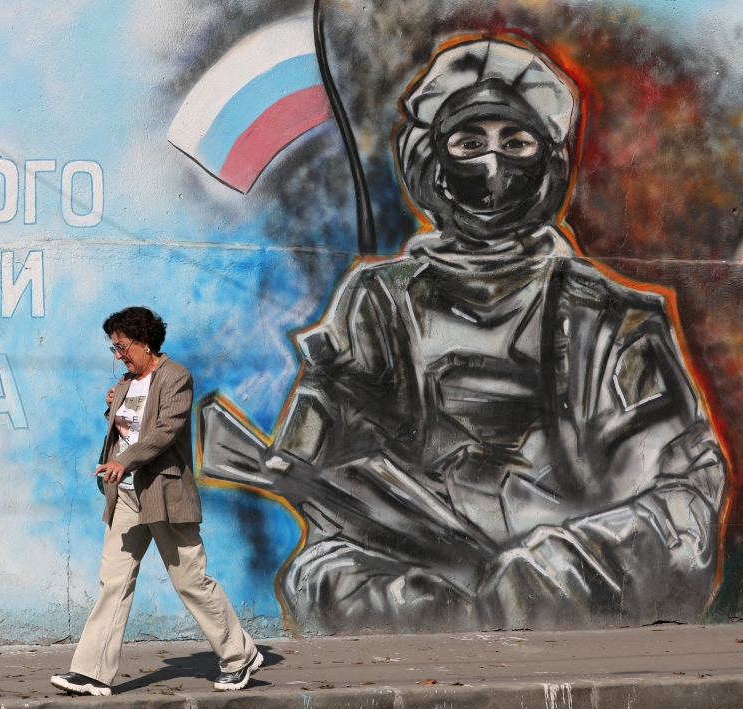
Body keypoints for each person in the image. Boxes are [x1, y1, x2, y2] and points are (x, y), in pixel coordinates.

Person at [199, 37, 726, 633]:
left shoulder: (614, 317)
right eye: (469, 143)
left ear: (548, 162)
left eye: (516, 142)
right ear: (432, 160)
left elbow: (683, 506)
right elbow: (319, 485)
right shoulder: (377, 303)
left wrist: (546, 570)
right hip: (407, 587)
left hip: (572, 592)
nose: (492, 166)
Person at [50, 306, 262, 696]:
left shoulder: (176, 377)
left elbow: (164, 431)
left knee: (190, 582)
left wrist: (123, 461)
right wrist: (112, 405)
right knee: (113, 583)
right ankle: (93, 672)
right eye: (113, 348)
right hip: (128, 497)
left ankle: (239, 656)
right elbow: (127, 430)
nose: (117, 355)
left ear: (144, 341)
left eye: (121, 346)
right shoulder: (129, 381)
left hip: (165, 495)